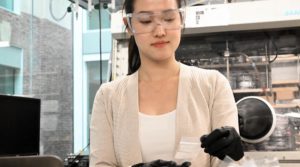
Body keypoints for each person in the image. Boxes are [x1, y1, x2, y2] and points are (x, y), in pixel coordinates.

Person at [90, 0, 244, 166]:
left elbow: (228, 163)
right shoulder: (108, 96)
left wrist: (232, 158)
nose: (160, 31)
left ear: (181, 19)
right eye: (146, 21)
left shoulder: (213, 85)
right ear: (128, 25)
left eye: (169, 19)